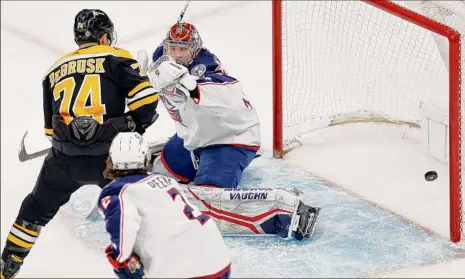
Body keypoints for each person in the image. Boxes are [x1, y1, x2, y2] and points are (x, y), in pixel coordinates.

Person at [1, 9, 158, 278]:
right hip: (113, 159)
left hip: (63, 162)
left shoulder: (52, 70)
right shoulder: (117, 56)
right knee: (137, 213)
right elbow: (146, 104)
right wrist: (131, 126)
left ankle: (8, 267)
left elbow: (51, 130)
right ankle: (143, 268)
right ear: (105, 35)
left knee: (34, 210)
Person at [137, 21, 261, 189]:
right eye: (173, 48)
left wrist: (190, 85)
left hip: (228, 138)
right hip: (194, 136)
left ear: (195, 49)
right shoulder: (163, 58)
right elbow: (160, 58)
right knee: (160, 170)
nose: (177, 55)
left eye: (183, 49)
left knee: (210, 193)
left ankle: (238, 159)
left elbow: (230, 91)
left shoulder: (204, 66)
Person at [99, 132, 231, 278]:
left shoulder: (117, 191)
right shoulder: (166, 180)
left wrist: (121, 261)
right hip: (218, 258)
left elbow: (124, 228)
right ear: (146, 158)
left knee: (121, 262)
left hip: (184, 268)